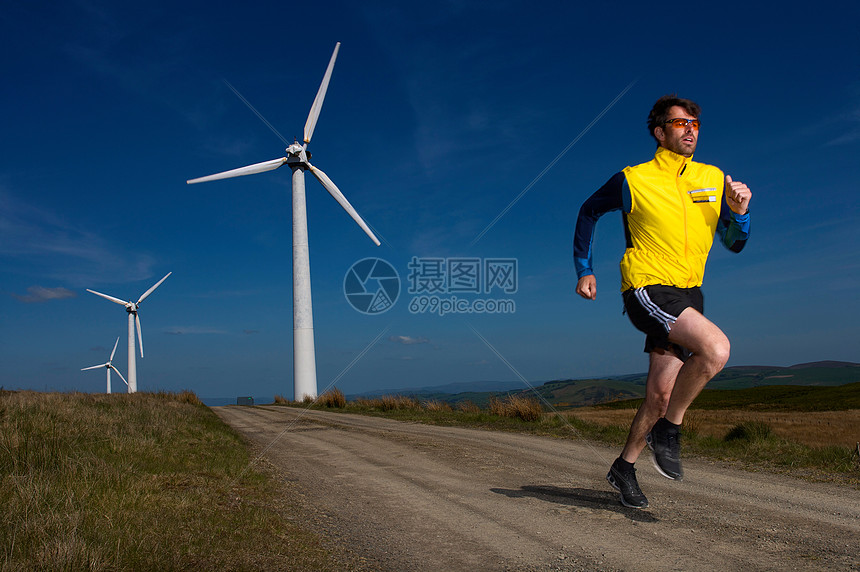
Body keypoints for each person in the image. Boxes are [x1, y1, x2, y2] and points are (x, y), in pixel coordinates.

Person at [572, 94, 751, 508]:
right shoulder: (633, 179)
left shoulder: (712, 177)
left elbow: (733, 243)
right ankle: (669, 431)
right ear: (660, 131)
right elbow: (588, 211)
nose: (690, 129)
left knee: (659, 394)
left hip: (688, 294)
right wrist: (585, 270)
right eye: (680, 123)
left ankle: (624, 466)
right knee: (716, 349)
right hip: (647, 287)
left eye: (695, 124)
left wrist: (739, 213)